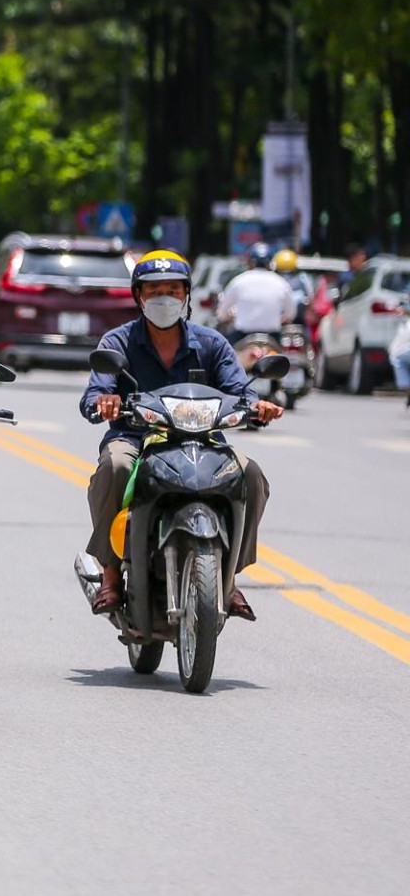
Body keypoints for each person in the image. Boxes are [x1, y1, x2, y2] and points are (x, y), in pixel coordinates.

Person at [80, 250, 280, 621]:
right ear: (138, 295)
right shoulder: (118, 341)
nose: (164, 299)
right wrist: (105, 402)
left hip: (202, 441)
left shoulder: (212, 344)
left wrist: (258, 405)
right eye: (155, 290)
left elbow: (241, 391)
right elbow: (94, 396)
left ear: (186, 295)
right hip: (136, 439)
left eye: (173, 290)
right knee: (116, 465)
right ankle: (109, 574)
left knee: (250, 475)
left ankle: (230, 575)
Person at [217, 242, 295, 342]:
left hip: (243, 337)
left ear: (250, 262)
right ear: (270, 263)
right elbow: (291, 314)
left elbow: (222, 313)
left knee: (225, 353)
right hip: (272, 338)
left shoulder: (238, 281)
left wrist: (227, 318)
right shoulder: (281, 282)